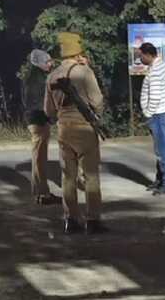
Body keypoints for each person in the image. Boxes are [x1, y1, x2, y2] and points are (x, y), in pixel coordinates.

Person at [44, 32, 107, 235]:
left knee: (68, 177)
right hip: (84, 128)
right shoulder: (84, 71)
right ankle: (93, 220)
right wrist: (95, 116)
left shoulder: (52, 76)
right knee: (91, 176)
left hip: (64, 129)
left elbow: (48, 111)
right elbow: (97, 101)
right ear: (78, 51)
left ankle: (71, 219)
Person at [139, 42, 165, 195]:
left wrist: (148, 113)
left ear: (148, 55)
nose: (140, 59)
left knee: (162, 150)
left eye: (141, 56)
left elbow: (154, 96)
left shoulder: (155, 71)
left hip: (159, 114)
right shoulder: (164, 66)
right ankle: (161, 180)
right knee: (161, 149)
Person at [22, 49, 57, 205]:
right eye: (47, 61)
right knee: (39, 159)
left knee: (39, 158)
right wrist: (50, 117)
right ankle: (42, 194)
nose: (50, 64)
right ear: (40, 63)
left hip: (36, 119)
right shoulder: (37, 79)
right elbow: (38, 103)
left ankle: (41, 192)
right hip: (38, 121)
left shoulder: (32, 76)